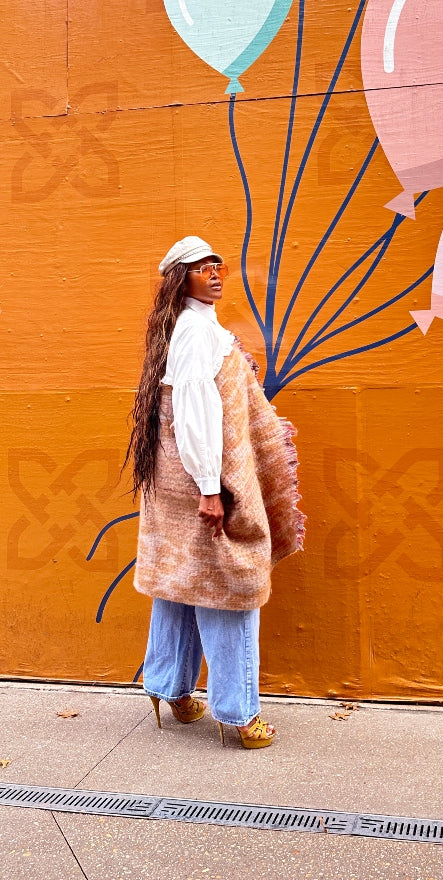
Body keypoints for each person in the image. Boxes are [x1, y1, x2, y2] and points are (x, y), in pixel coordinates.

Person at [125, 236, 305, 749]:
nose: (216, 274)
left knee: (181, 583)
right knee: (231, 590)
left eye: (216, 266)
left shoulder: (190, 327)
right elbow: (195, 413)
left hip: (176, 481)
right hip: (200, 482)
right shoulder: (194, 333)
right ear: (182, 279)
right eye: (203, 269)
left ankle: (170, 690)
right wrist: (211, 488)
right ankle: (239, 713)